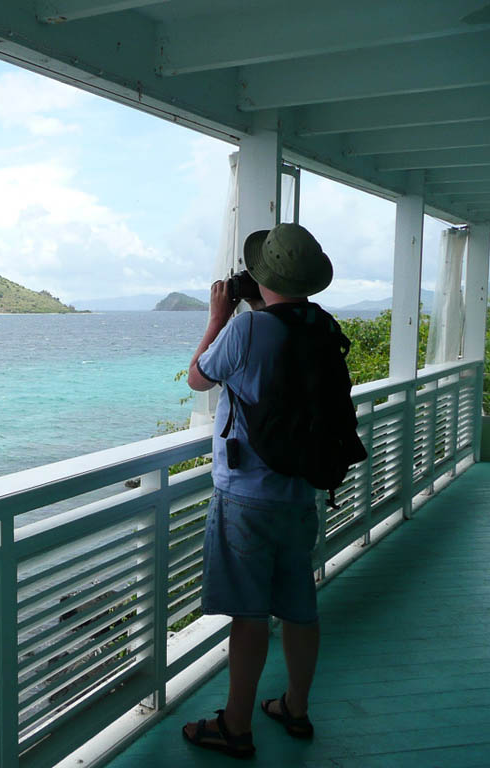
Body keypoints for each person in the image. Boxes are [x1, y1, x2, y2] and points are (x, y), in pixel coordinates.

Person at [181, 223, 334, 759]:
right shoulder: (320, 325)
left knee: (250, 616)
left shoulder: (248, 332)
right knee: (299, 607)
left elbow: (198, 378)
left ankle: (236, 726)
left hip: (246, 494)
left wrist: (219, 317)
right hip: (300, 491)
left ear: (262, 275)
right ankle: (295, 706)